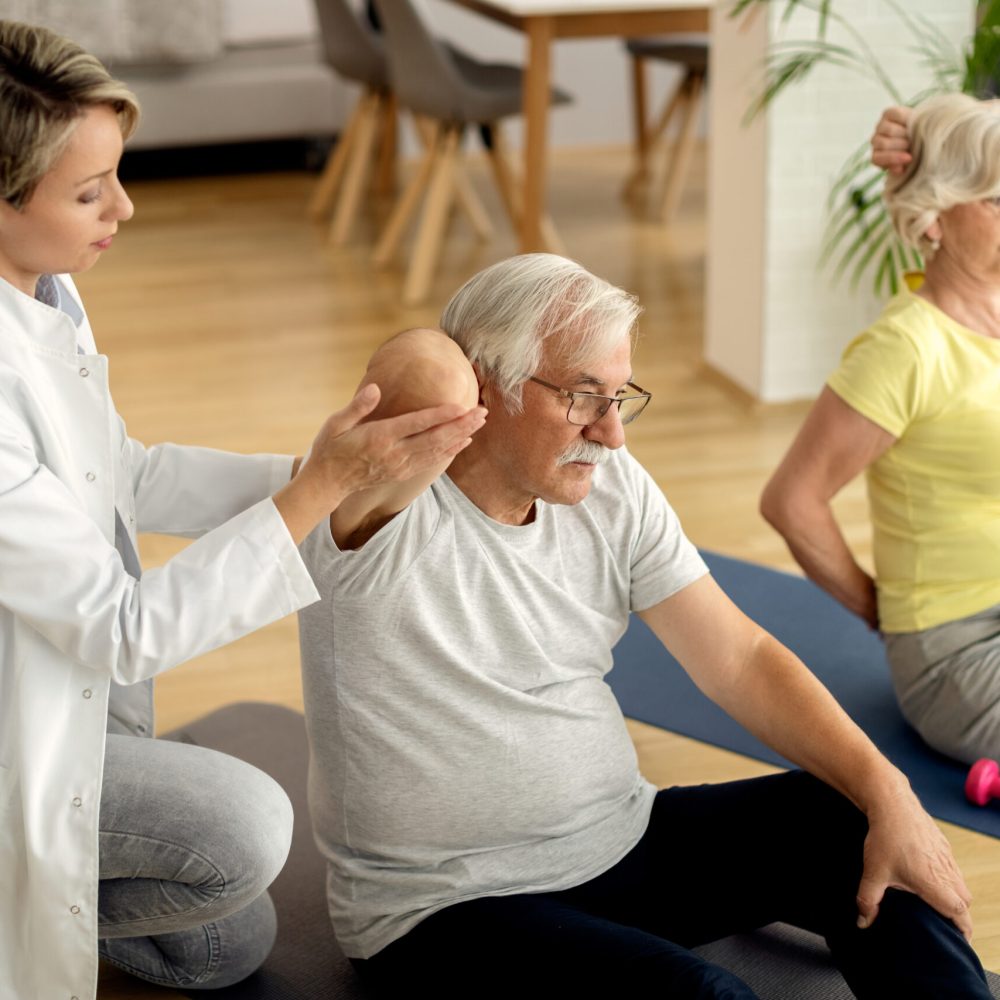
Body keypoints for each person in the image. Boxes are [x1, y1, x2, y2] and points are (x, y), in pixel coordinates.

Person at [296, 252, 989, 999]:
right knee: (703, 997)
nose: (613, 433)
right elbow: (418, 362)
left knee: (859, 825)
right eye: (584, 396)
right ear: (483, 389)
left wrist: (892, 794)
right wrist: (459, 364)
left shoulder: (608, 483)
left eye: (620, 396)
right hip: (443, 911)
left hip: (621, 844)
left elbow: (741, 660)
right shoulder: (376, 508)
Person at [0, 20, 485, 1000]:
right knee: (247, 830)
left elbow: (116, 474)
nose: (124, 208)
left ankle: (54, 872)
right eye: (90, 193)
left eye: (117, 177)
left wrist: (320, 470)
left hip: (80, 701)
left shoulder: (44, 289)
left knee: (225, 942)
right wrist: (321, 490)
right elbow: (119, 630)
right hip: (26, 725)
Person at [762, 93, 1000, 766]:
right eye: (997, 201)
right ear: (934, 218)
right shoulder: (906, 350)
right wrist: (882, 610)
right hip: (959, 647)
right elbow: (791, 501)